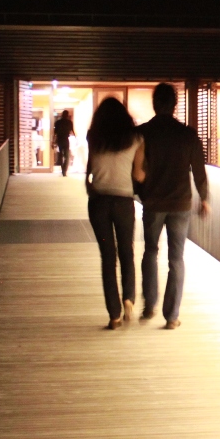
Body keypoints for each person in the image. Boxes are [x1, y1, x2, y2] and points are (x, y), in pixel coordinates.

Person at [137, 83, 209, 330]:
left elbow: (135, 167)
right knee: (176, 258)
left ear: (155, 104)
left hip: (153, 201)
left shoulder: (144, 133)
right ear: (175, 104)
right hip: (180, 202)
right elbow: (199, 170)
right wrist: (204, 198)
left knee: (150, 251)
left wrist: (140, 192)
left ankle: (150, 304)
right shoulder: (187, 134)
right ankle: (172, 316)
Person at [85, 97, 146, 330]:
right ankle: (128, 298)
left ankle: (114, 315)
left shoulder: (93, 137)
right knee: (126, 251)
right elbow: (138, 174)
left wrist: (90, 185)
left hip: (99, 202)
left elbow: (89, 170)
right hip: (123, 202)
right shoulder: (136, 139)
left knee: (107, 257)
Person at [53, 109, 74, 176]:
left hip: (60, 139)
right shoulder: (69, 122)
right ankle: (64, 170)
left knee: (61, 155)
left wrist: (53, 141)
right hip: (65, 139)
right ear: (67, 115)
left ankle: (63, 170)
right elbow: (72, 131)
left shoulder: (58, 122)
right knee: (67, 156)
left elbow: (55, 133)